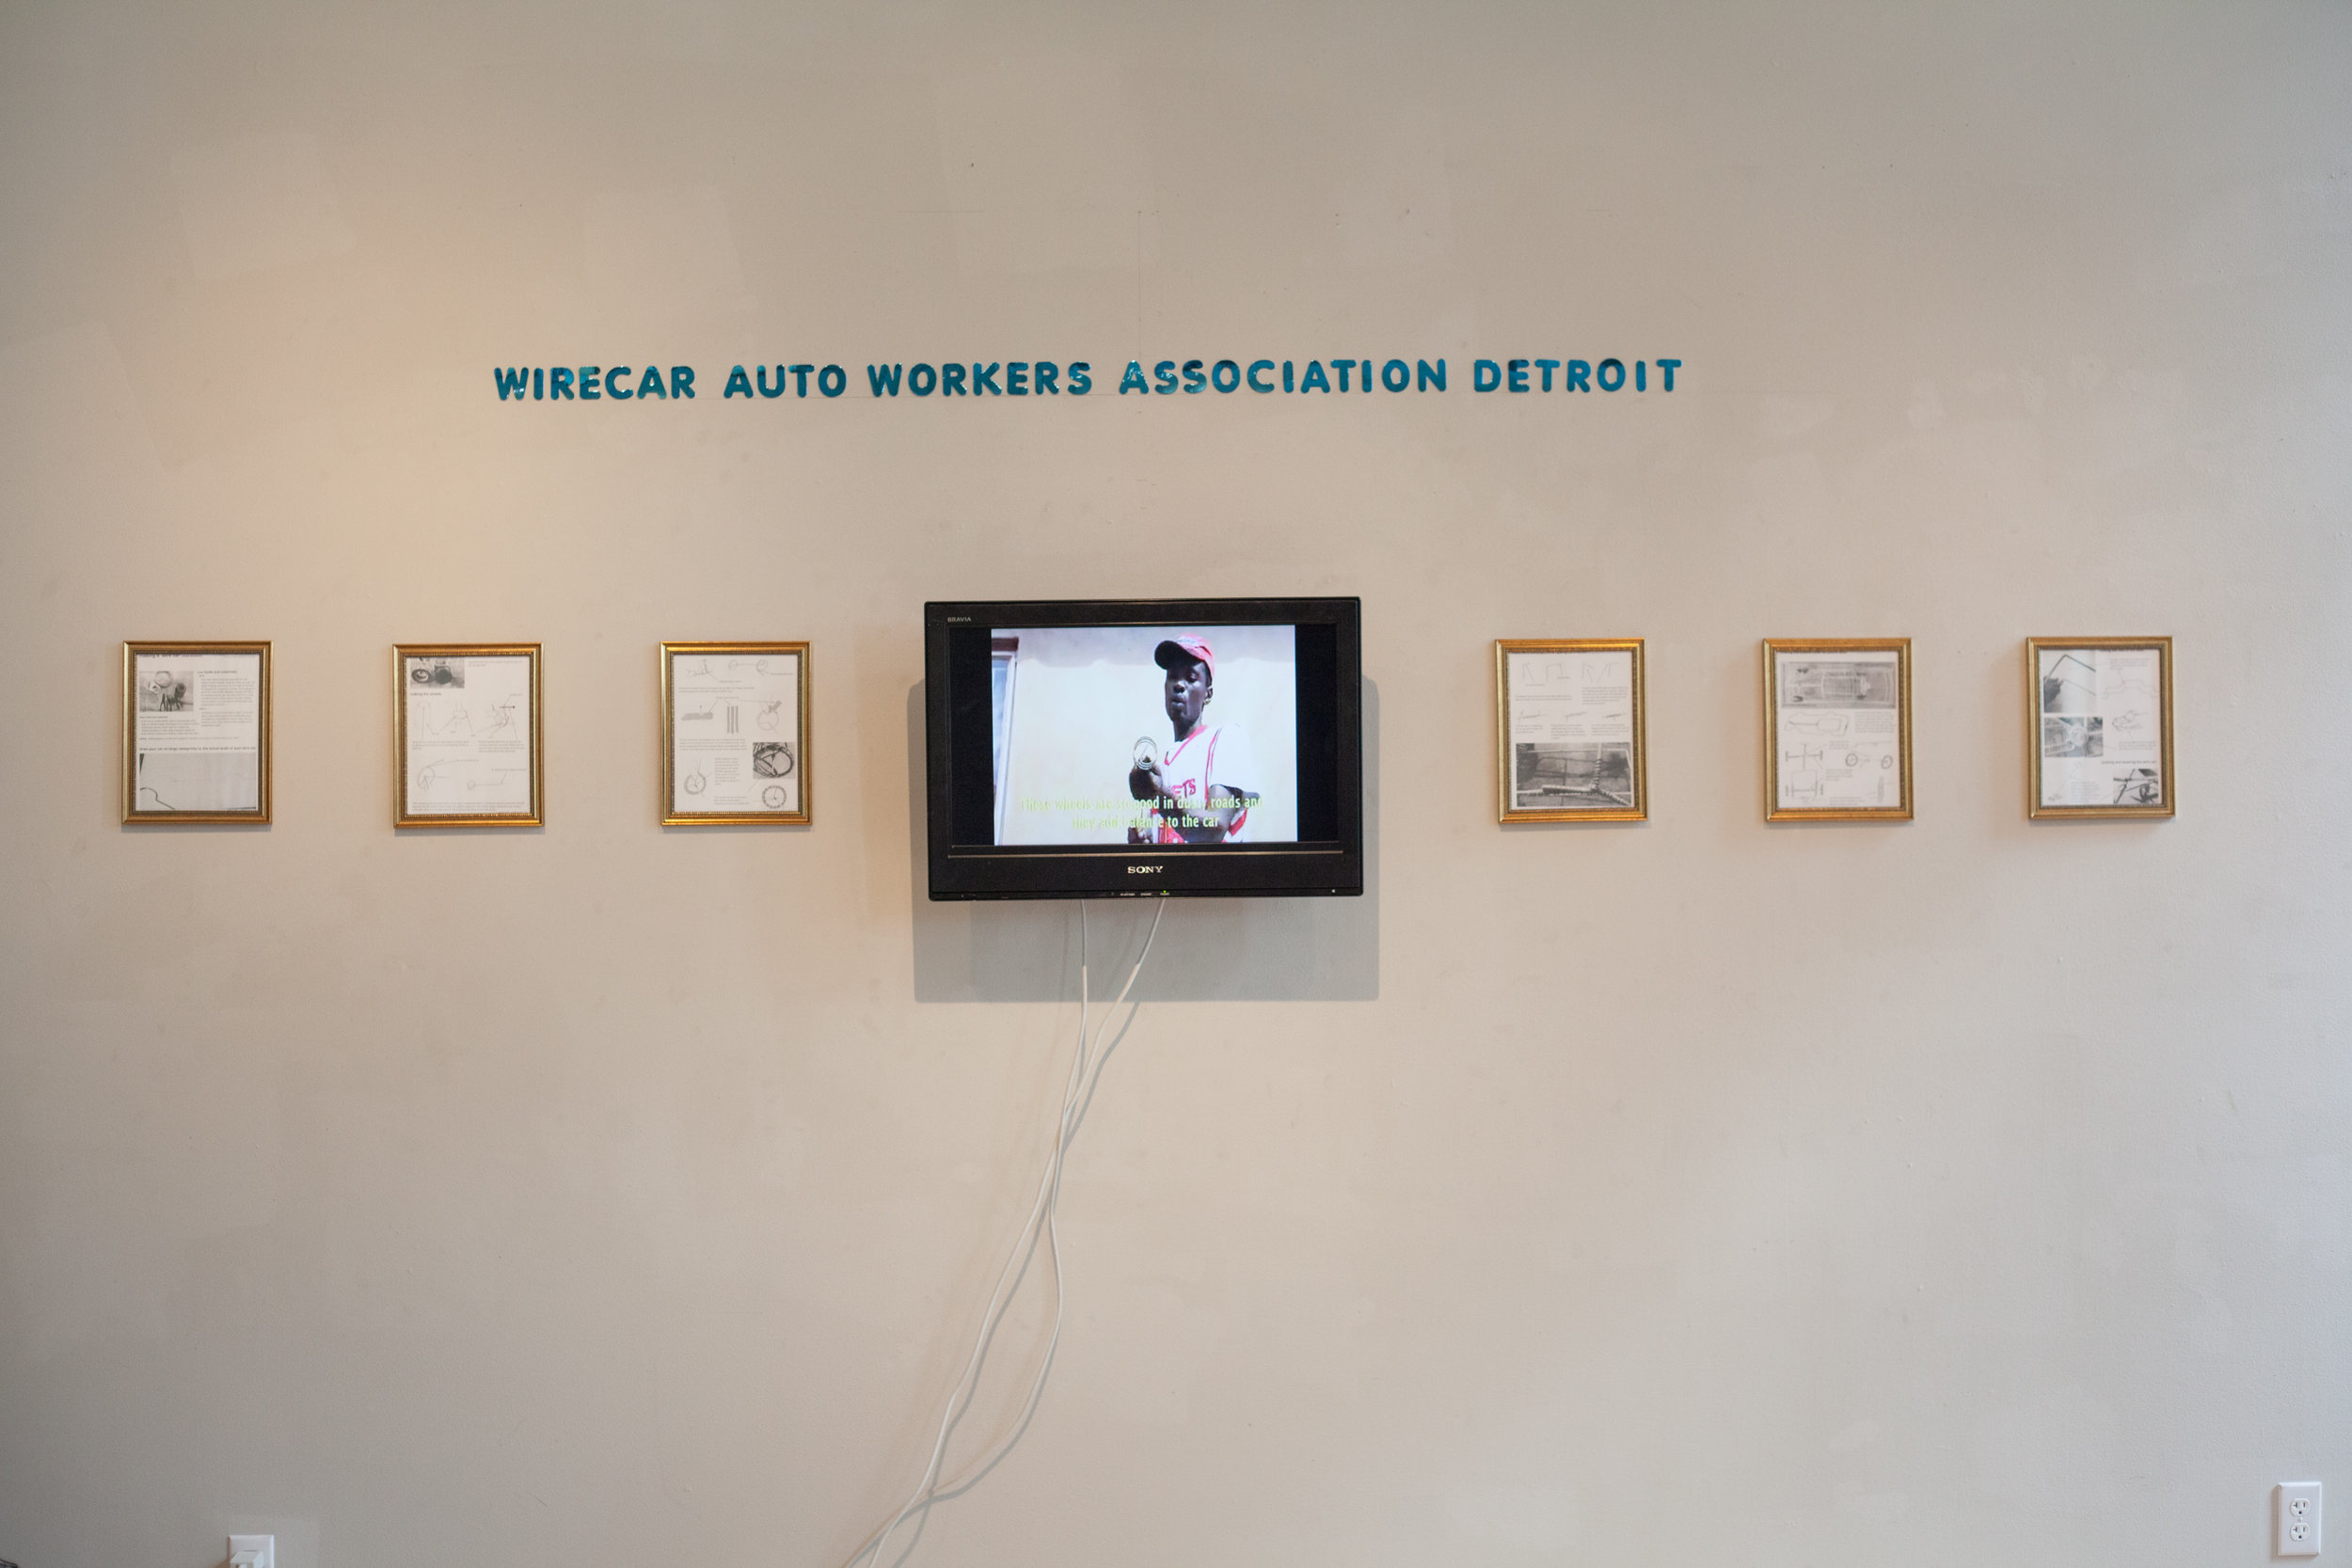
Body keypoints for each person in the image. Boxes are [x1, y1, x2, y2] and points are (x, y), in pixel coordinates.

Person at [1127, 634, 1260, 844]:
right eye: (1173, 676)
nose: (1179, 685)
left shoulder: (1227, 739)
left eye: (1190, 678)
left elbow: (1214, 829)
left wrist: (1159, 796)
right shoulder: (1161, 770)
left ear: (1208, 693)